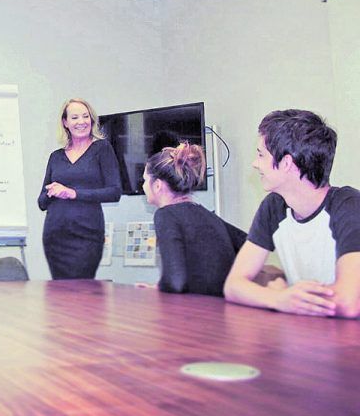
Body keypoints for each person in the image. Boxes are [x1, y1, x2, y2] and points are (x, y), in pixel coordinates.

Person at [224, 109, 360, 318]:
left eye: (261, 155)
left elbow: (349, 302)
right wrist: (279, 298)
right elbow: (233, 286)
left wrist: (287, 294)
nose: (255, 163)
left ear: (286, 163)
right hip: (309, 331)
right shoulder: (274, 206)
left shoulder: (349, 206)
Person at [142, 143, 247, 296]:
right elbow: (248, 242)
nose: (143, 186)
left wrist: (161, 288)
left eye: (145, 180)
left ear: (157, 185)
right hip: (222, 304)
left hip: (196, 307)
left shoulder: (165, 215)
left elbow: (176, 282)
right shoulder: (206, 214)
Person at [38, 98, 122, 279]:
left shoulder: (102, 149)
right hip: (55, 235)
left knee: (82, 288)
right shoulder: (56, 157)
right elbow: (41, 202)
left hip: (87, 233)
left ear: (92, 119)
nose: (81, 122)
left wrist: (72, 193)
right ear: (65, 122)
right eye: (75, 117)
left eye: (85, 116)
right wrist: (53, 191)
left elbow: (115, 192)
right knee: (60, 290)